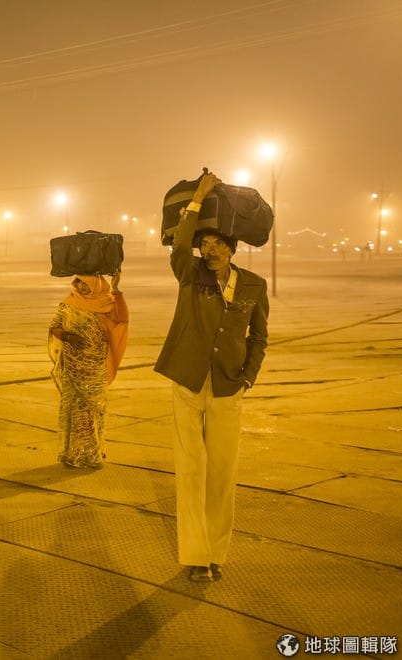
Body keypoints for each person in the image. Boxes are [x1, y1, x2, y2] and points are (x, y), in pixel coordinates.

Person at [154, 171, 269, 582]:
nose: (210, 249)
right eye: (205, 244)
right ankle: (196, 557)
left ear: (233, 248)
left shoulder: (254, 285)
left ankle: (217, 552)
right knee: (190, 470)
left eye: (218, 243)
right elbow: (180, 243)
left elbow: (259, 337)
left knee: (222, 473)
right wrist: (198, 199)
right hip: (187, 380)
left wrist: (248, 377)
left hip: (227, 386)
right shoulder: (190, 274)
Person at [48, 270, 129, 468]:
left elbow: (121, 319)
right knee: (72, 409)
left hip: (94, 368)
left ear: (96, 284)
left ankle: (92, 454)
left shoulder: (106, 303)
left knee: (93, 409)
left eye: (85, 283)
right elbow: (55, 326)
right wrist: (68, 337)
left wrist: (116, 288)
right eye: (78, 283)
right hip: (72, 368)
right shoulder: (69, 302)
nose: (81, 287)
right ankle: (72, 454)